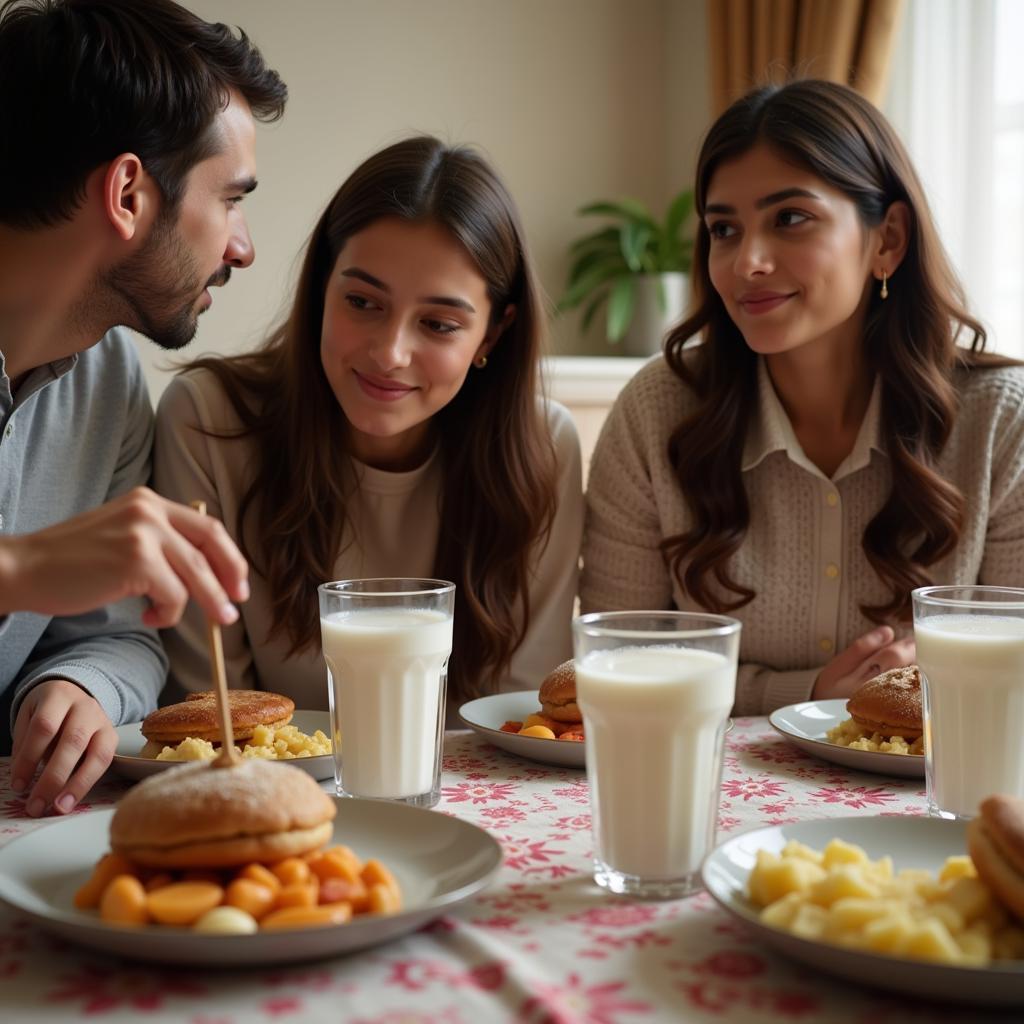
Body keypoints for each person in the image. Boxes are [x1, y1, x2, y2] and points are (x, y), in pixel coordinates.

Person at [581, 79, 1024, 715]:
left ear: (887, 240)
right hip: (705, 794)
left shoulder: (999, 421)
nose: (747, 262)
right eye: (724, 229)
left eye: (790, 218)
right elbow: (612, 667)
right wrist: (813, 697)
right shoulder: (657, 410)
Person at [153, 136, 582, 711]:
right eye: (362, 303)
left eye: (439, 324)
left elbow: (523, 716)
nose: (389, 354)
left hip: (469, 797)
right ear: (323, 286)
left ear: (494, 334)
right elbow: (211, 715)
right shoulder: (207, 421)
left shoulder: (543, 447)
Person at [0, 0, 286, 813]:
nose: (242, 246)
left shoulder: (111, 377)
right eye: (229, 199)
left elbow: (114, 634)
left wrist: (74, 687)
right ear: (128, 192)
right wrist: (21, 568)